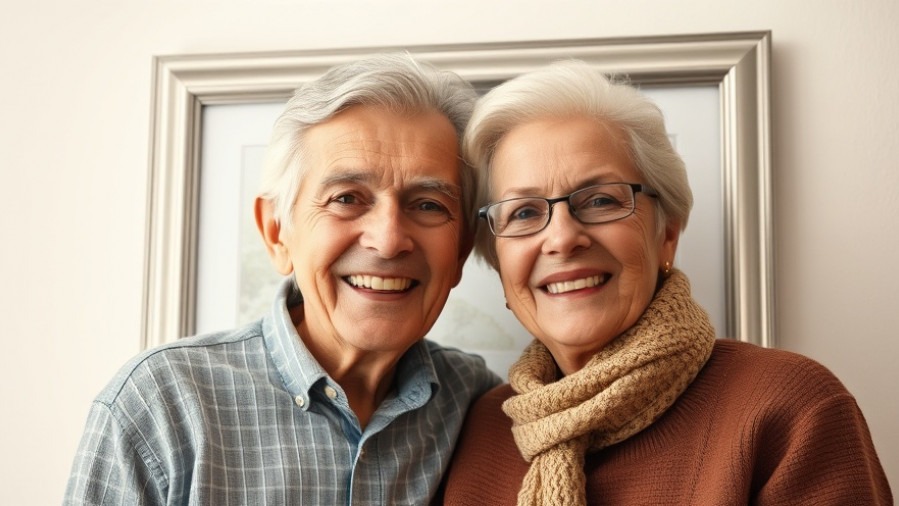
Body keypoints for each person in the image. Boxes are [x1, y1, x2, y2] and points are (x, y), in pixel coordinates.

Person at [440, 61, 892, 505]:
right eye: (523, 213)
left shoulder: (789, 407)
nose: (561, 238)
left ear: (667, 234)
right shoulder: (480, 428)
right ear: (498, 264)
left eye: (600, 200)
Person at [64, 53, 501, 505]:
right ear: (277, 233)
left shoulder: (478, 405)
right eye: (347, 198)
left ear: (462, 249)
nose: (389, 240)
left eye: (428, 204)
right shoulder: (161, 405)